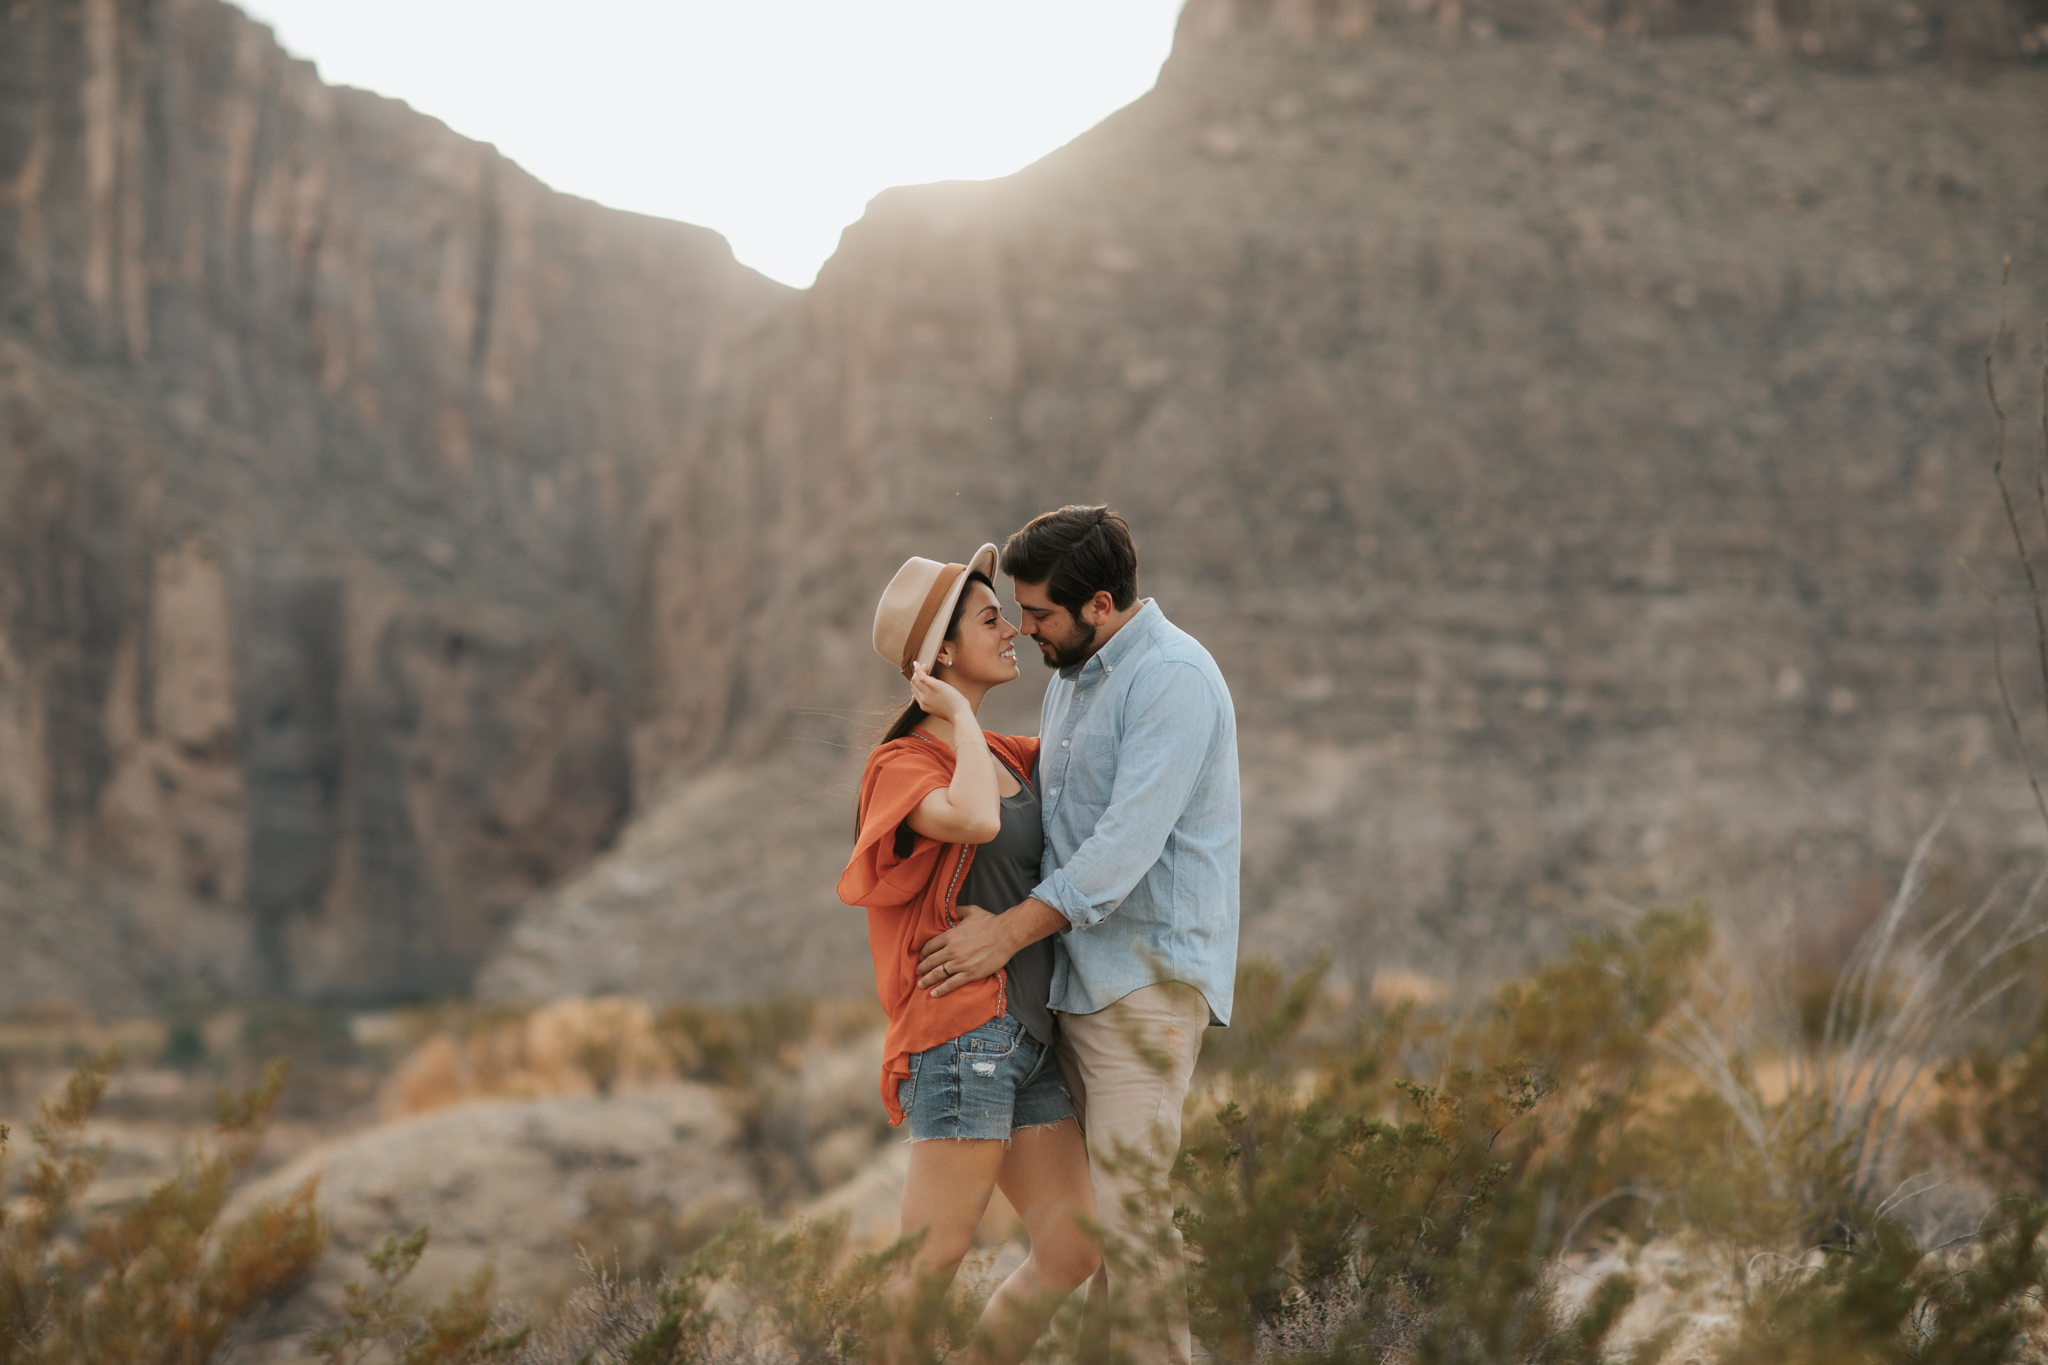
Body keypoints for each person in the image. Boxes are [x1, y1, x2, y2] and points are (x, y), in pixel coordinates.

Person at [916, 506, 1240, 1365]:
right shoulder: (1073, 677)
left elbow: (1117, 854)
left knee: (1132, 1224)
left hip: (1144, 986)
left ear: (1100, 603)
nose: (1027, 630)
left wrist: (1003, 936)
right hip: (1072, 986)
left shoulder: (1174, 679)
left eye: (1041, 614)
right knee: (1088, 1236)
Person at [837, 544, 1100, 1365]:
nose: (1014, 630)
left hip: (1026, 1041)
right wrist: (953, 716)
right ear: (942, 654)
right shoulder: (904, 763)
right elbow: (976, 821)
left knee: (1072, 1250)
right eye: (992, 619)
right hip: (962, 1040)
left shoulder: (1008, 754)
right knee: (927, 1266)